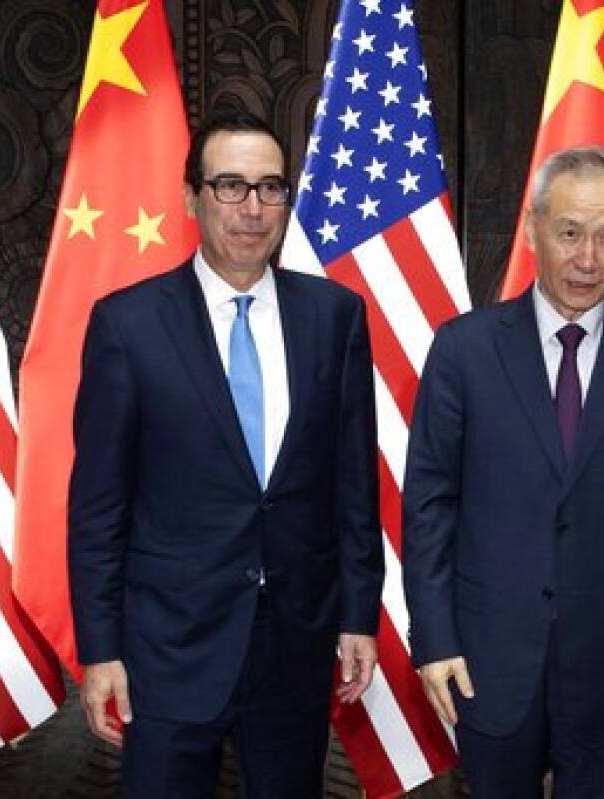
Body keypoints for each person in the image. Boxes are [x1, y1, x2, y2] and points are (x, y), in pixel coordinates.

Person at [68, 107, 384, 797]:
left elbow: (354, 486)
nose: (252, 208)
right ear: (192, 197)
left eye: (271, 187)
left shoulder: (336, 317)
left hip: (295, 646)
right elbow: (98, 508)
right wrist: (101, 649)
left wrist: (360, 614)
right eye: (231, 186)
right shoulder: (128, 325)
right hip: (168, 650)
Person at [402, 146, 604, 797]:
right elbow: (430, 505)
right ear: (533, 227)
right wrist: (433, 637)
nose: (587, 258)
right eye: (570, 232)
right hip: (486, 655)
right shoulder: (463, 350)